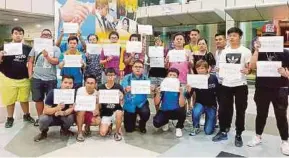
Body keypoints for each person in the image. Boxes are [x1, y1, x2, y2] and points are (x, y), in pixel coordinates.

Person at [247, 23, 289, 155]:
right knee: (261, 114)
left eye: (271, 36)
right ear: (261, 37)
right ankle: (258, 136)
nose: (268, 38)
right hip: (262, 88)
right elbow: (252, 67)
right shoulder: (258, 51)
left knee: (281, 116)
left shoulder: (286, 52)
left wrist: (286, 73)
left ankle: (285, 141)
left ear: (276, 36)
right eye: (265, 36)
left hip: (280, 88)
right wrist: (257, 50)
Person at [212, 27, 252, 147]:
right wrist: (220, 69)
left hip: (240, 84)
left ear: (240, 37)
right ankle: (223, 130)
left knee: (241, 110)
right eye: (230, 36)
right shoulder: (224, 51)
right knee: (224, 109)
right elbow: (221, 67)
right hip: (226, 84)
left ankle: (239, 133)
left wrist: (248, 70)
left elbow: (249, 69)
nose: (231, 38)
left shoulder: (246, 51)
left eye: (234, 35)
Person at [0, 26, 35, 128]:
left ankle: (26, 115)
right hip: (8, 78)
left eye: (20, 33)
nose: (18, 35)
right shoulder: (3, 47)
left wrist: (30, 75)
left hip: (24, 78)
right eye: (16, 33)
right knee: (10, 100)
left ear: (23, 35)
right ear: (12, 35)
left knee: (24, 99)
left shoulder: (28, 48)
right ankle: (10, 118)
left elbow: (31, 62)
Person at [28, 29, 61, 126]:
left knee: (51, 100)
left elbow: (56, 62)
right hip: (37, 78)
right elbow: (30, 61)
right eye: (44, 34)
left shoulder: (55, 48)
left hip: (51, 79)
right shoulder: (35, 48)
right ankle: (40, 118)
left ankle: (50, 118)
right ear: (41, 36)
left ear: (51, 37)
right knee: (38, 99)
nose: (46, 36)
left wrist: (47, 56)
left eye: (48, 35)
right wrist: (30, 74)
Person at [34, 75, 75, 142]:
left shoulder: (72, 94)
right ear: (61, 83)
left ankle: (64, 130)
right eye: (65, 82)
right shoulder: (53, 92)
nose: (68, 85)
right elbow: (45, 111)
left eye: (70, 83)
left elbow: (71, 108)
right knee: (43, 119)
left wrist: (63, 113)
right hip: (51, 117)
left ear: (73, 84)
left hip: (64, 116)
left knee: (71, 117)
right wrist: (57, 108)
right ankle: (44, 132)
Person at [185, 60, 218, 136]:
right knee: (195, 111)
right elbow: (188, 96)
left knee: (208, 131)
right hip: (200, 103)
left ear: (207, 69)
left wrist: (218, 107)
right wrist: (188, 91)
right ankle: (196, 127)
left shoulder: (213, 78)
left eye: (202, 68)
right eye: (198, 68)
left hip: (211, 105)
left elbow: (218, 92)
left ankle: (212, 121)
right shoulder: (194, 79)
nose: (200, 70)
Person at [153, 68, 186, 137]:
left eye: (174, 75)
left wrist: (182, 93)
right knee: (156, 123)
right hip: (164, 110)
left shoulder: (180, 88)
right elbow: (156, 103)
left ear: (177, 77)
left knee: (182, 110)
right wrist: (158, 93)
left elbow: (182, 105)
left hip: (176, 111)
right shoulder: (162, 87)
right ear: (167, 76)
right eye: (170, 74)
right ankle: (165, 122)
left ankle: (179, 127)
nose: (172, 76)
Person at [121, 60, 151, 133]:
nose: (138, 68)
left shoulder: (145, 78)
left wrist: (152, 89)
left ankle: (142, 123)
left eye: (140, 67)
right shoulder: (127, 78)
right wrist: (125, 89)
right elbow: (122, 90)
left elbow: (149, 90)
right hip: (130, 104)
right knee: (129, 130)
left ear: (143, 69)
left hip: (142, 103)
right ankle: (134, 118)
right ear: (132, 68)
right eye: (136, 67)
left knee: (146, 113)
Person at [98, 68, 124, 141]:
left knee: (119, 112)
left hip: (116, 111)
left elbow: (122, 102)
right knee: (102, 133)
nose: (110, 77)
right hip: (105, 113)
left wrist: (121, 97)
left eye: (112, 75)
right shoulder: (100, 87)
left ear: (115, 76)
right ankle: (109, 125)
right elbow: (99, 105)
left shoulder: (119, 87)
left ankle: (117, 132)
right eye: (108, 75)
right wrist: (98, 98)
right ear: (105, 76)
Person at [75, 74, 100, 142]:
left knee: (97, 120)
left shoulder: (96, 93)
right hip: (79, 112)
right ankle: (80, 133)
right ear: (85, 83)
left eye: (92, 83)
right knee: (82, 111)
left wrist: (97, 110)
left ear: (95, 84)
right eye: (88, 83)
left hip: (89, 112)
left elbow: (97, 105)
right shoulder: (80, 90)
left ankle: (87, 126)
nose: (89, 85)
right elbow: (78, 105)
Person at [149, 37, 168, 111]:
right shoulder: (151, 51)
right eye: (156, 42)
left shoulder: (165, 51)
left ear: (162, 43)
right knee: (155, 93)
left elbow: (167, 64)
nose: (157, 43)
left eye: (159, 41)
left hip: (162, 74)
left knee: (163, 92)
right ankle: (157, 110)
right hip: (153, 74)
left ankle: (163, 109)